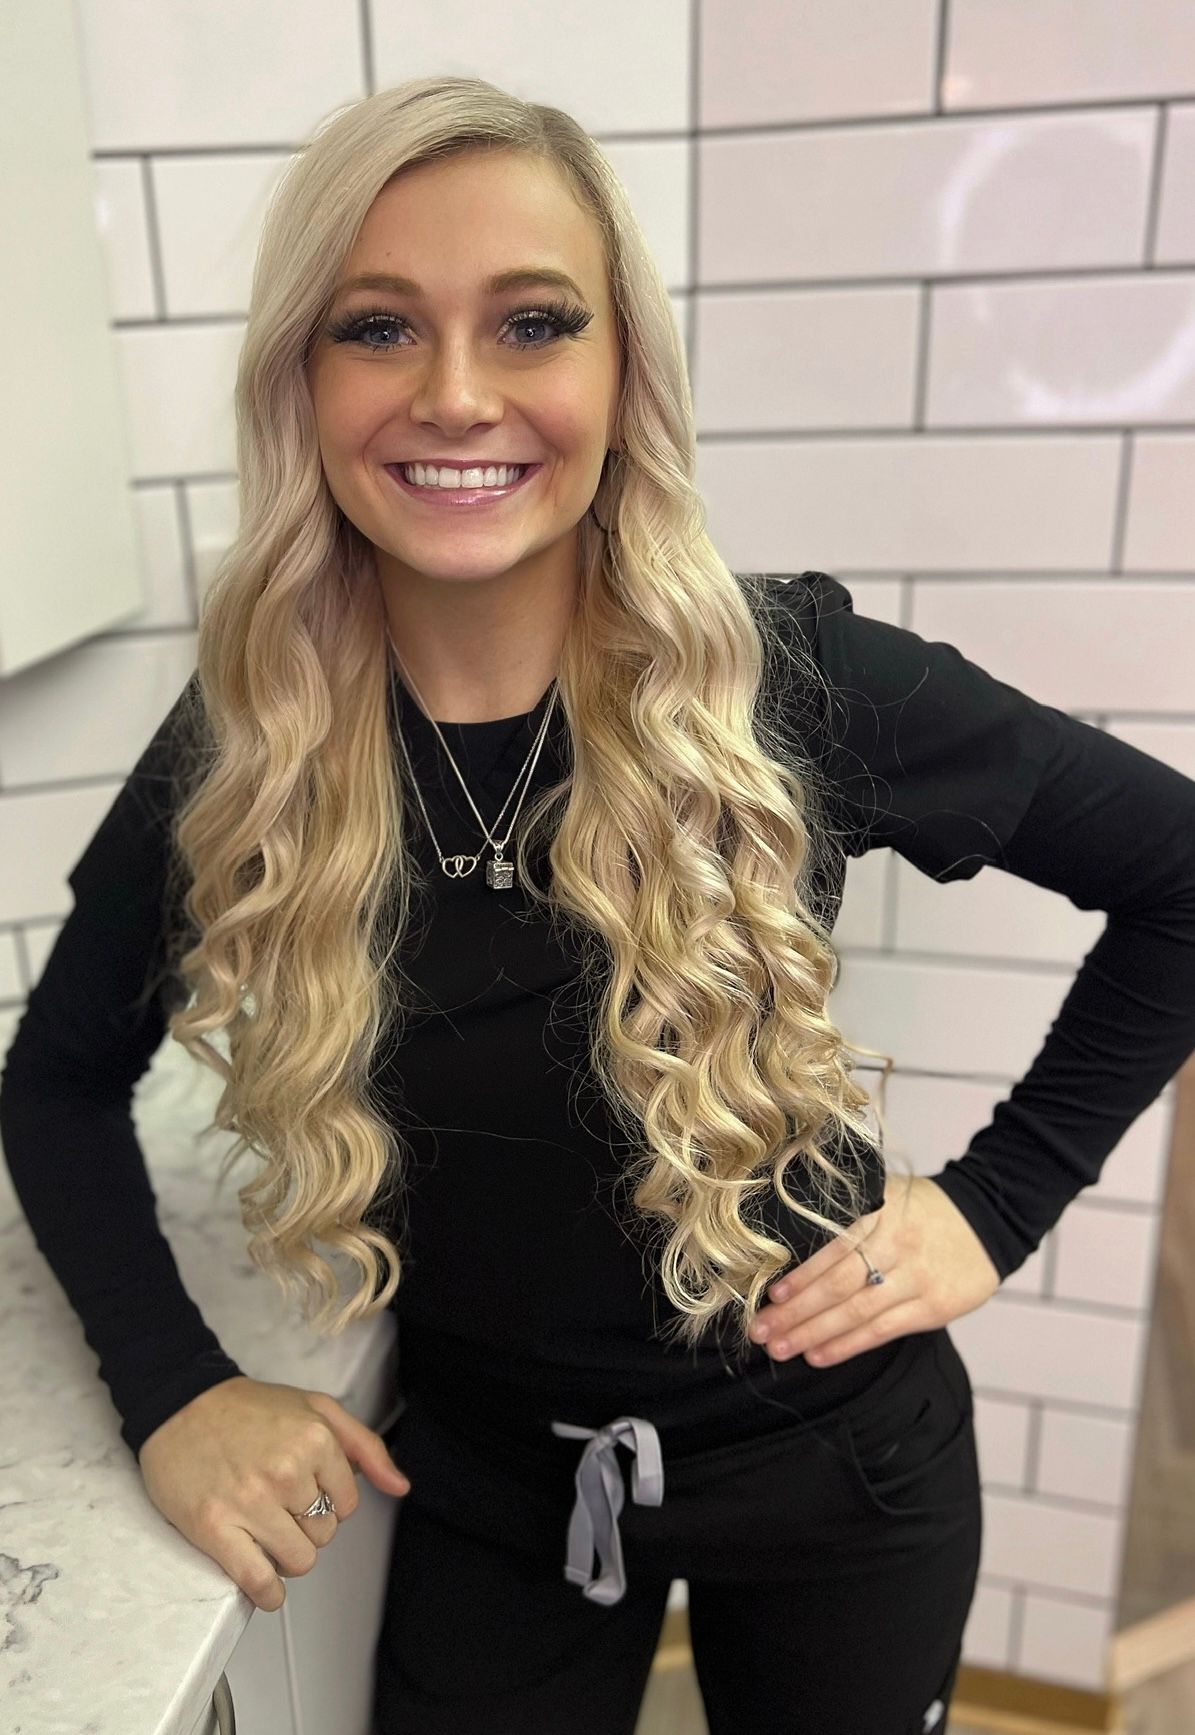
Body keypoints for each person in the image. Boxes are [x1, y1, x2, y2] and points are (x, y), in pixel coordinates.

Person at [3, 74, 1195, 1735]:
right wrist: (171, 1390)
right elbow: (53, 1082)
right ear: (302, 377)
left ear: (622, 369)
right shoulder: (247, 743)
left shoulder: (793, 680)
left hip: (839, 1466)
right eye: (377, 328)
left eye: (534, 321)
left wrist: (997, 1206)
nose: (458, 393)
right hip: (491, 1485)